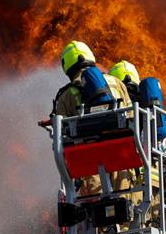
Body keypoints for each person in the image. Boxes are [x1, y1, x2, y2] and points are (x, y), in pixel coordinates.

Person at [53, 41, 131, 199]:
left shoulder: (66, 96)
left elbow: (62, 135)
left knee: (95, 209)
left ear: (67, 65)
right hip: (122, 156)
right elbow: (132, 118)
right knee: (124, 202)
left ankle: (100, 223)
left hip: (89, 161)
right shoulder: (117, 83)